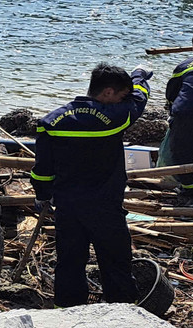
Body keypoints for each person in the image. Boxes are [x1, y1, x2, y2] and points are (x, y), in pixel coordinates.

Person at [30, 62, 151, 307]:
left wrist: (43, 195)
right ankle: (122, 309)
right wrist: (139, 75)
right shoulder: (117, 118)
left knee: (69, 261)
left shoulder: (51, 122)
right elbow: (140, 98)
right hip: (105, 206)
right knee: (115, 259)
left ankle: (66, 308)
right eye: (121, 95)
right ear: (108, 93)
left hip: (68, 205)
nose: (123, 100)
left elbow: (42, 170)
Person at [165, 30, 193, 196]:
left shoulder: (184, 67)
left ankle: (190, 191)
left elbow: (171, 96)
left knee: (182, 152)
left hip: (187, 115)